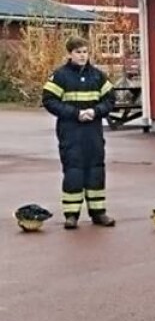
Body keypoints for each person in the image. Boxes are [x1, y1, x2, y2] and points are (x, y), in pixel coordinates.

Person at [41, 35, 117, 229]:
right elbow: (49, 100)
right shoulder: (60, 76)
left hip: (93, 130)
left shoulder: (98, 76)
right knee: (73, 171)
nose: (83, 56)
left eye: (85, 52)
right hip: (71, 131)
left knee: (96, 169)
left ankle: (98, 213)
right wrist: (75, 113)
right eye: (78, 52)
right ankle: (71, 215)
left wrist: (95, 111)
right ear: (70, 54)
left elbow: (110, 99)